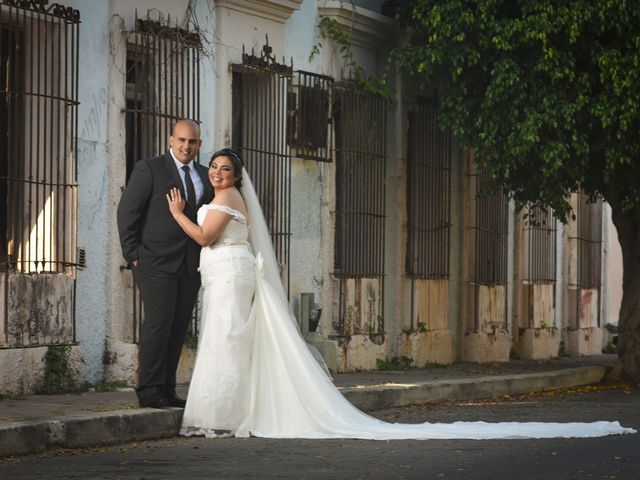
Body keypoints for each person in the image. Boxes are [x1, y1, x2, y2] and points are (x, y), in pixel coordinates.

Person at [166, 148, 635, 440]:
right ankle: (222, 413)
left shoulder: (225, 200)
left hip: (228, 274)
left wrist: (178, 215)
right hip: (229, 275)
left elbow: (205, 238)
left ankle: (221, 415)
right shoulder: (228, 197)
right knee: (227, 342)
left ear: (235, 175)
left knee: (225, 342)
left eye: (225, 169)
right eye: (214, 168)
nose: (218, 173)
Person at [117, 119, 214, 408]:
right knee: (158, 323)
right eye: (182, 140)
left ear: (199, 144)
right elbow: (127, 212)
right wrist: (132, 254)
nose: (186, 146)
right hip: (154, 262)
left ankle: (167, 388)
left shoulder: (205, 175)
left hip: (190, 264)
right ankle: (148, 390)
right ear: (171, 140)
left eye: (192, 141)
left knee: (177, 326)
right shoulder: (150, 169)